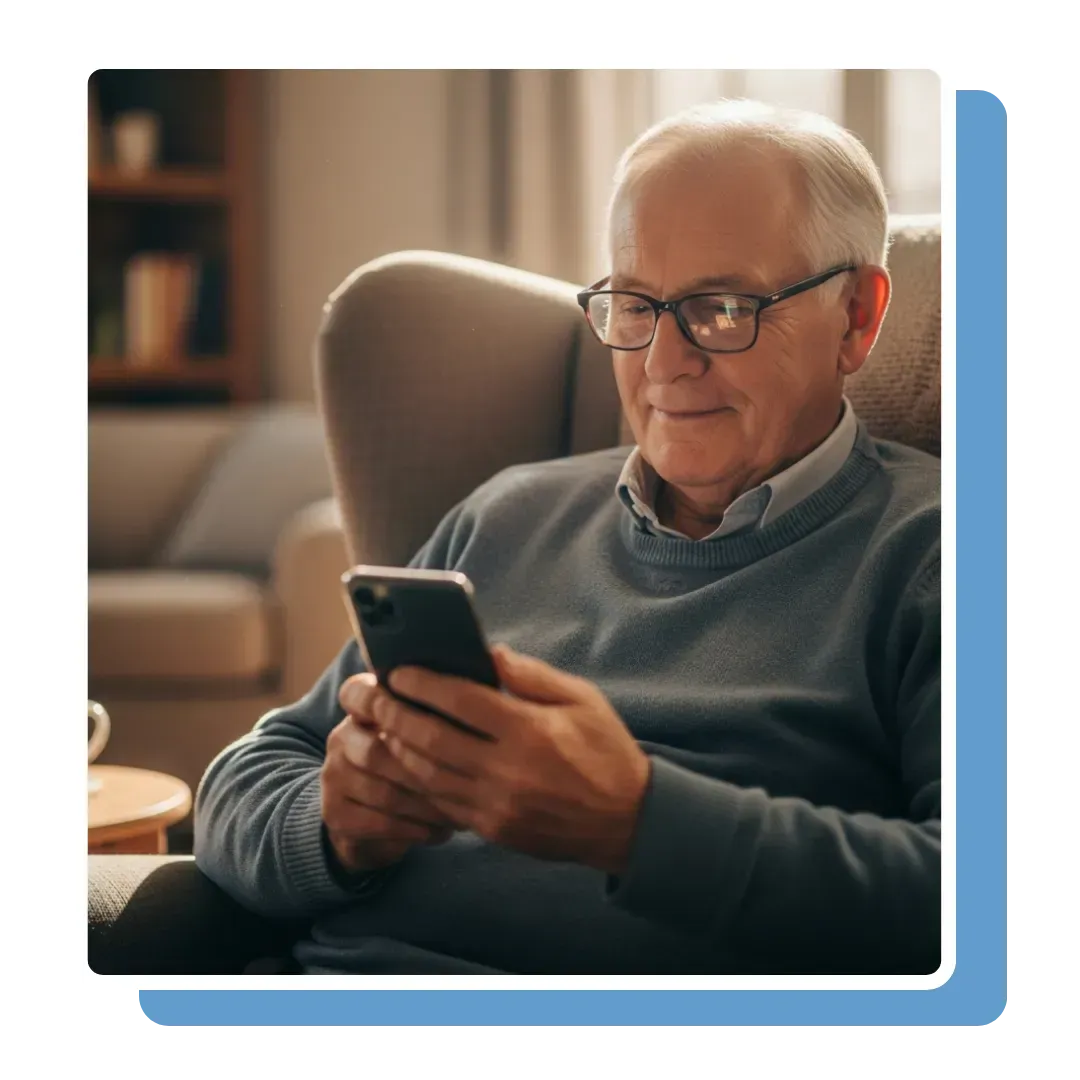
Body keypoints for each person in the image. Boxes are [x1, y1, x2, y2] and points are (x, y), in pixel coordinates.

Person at [193, 98, 941, 976]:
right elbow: (256, 768)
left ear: (856, 316)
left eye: (724, 308)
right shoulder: (507, 514)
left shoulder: (944, 554)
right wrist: (330, 824)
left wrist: (636, 823)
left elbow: (978, 904)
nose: (663, 365)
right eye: (634, 305)